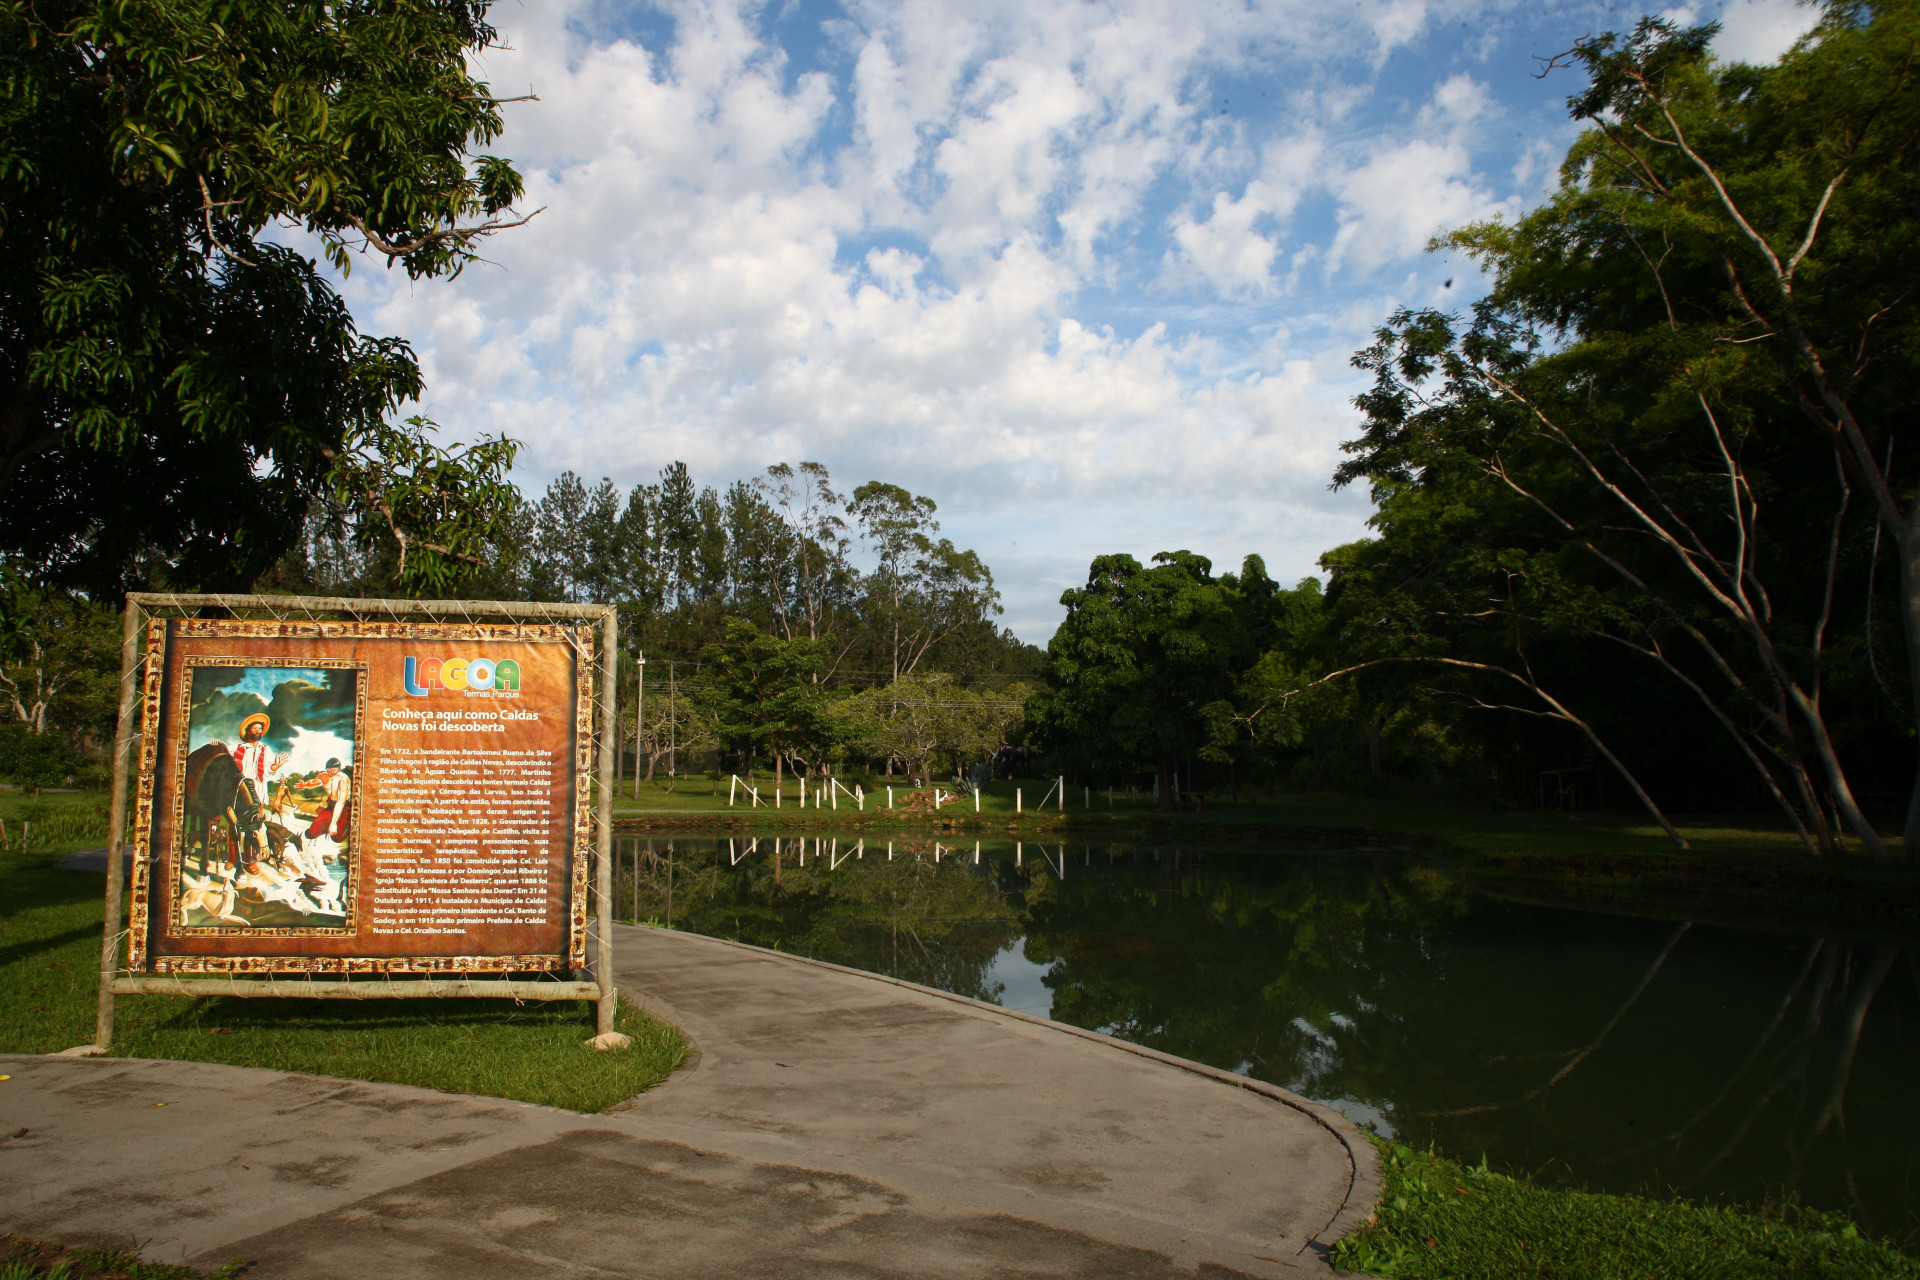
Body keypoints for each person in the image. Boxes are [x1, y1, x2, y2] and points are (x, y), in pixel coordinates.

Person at [230, 713, 289, 870]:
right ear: (248, 731)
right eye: (255, 728)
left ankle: (251, 860)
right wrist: (217, 744)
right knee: (234, 822)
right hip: (241, 789)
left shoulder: (265, 749)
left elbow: (269, 769)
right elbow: (224, 755)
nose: (258, 731)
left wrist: (276, 766)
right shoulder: (238, 748)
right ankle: (232, 857)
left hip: (258, 788)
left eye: (260, 729)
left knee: (255, 825)